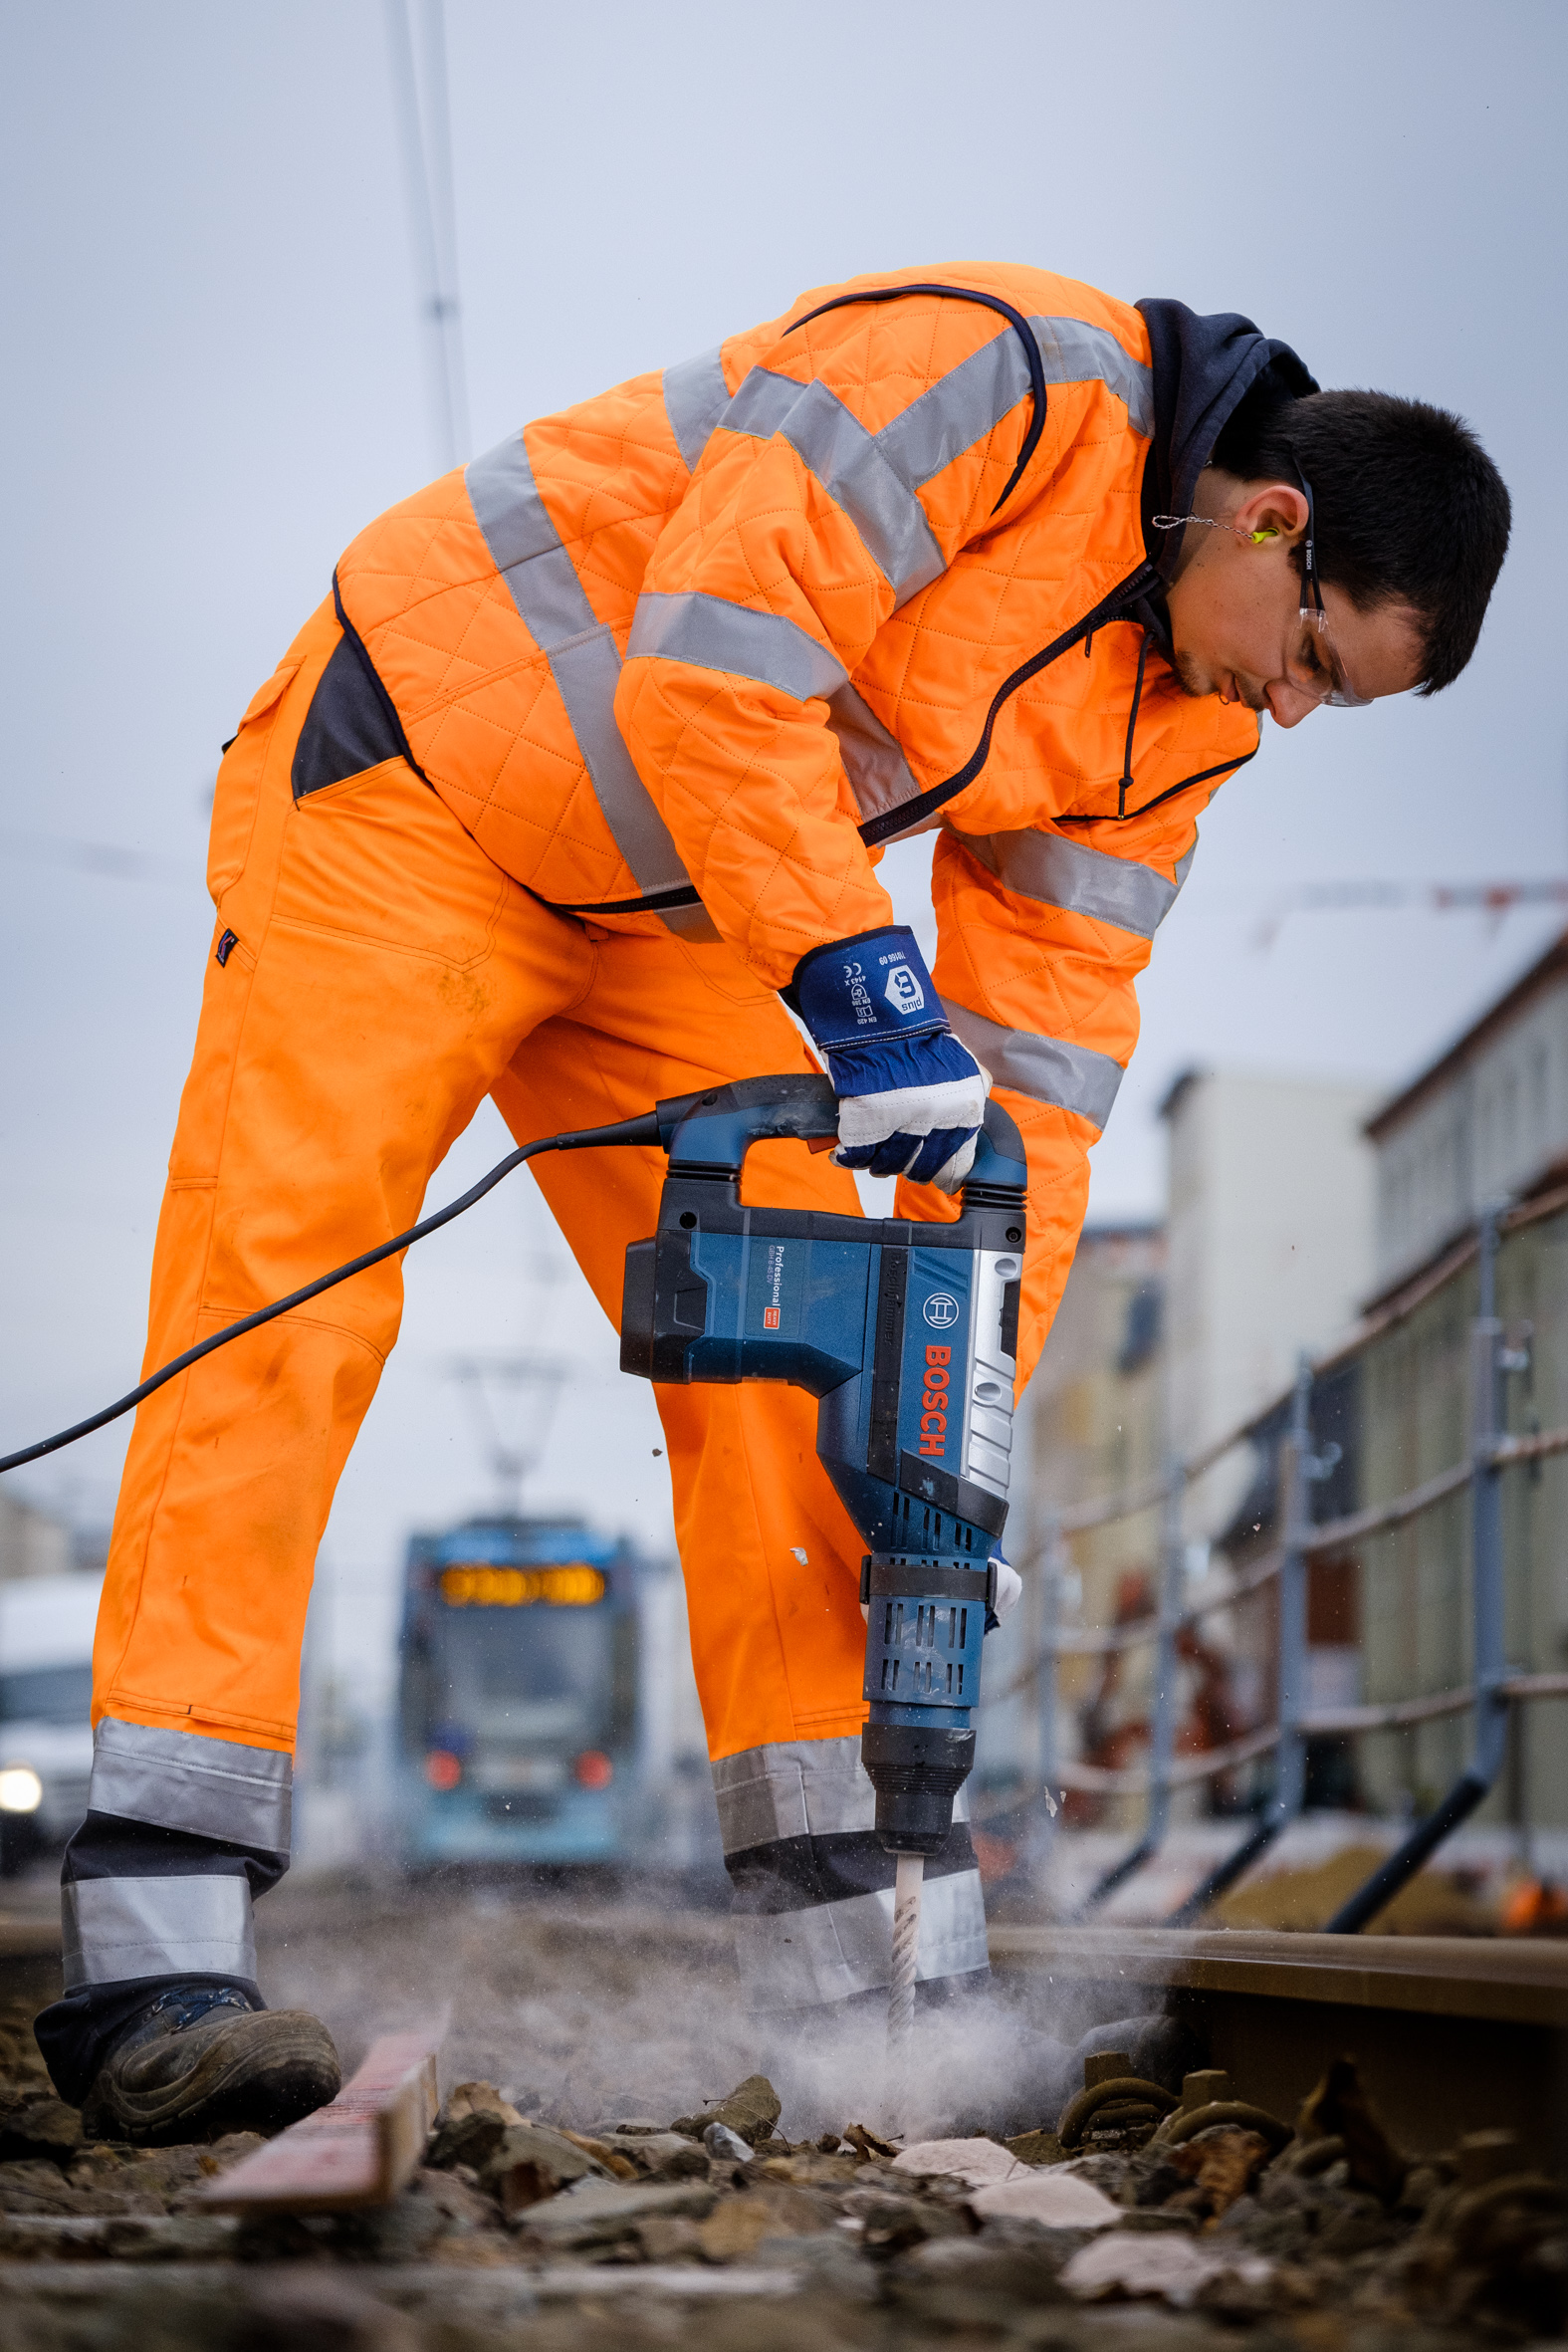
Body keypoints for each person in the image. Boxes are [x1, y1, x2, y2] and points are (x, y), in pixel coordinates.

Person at [34, 264, 1510, 2139]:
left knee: (811, 1405)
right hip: (417, 787)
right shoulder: (989, 377)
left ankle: (880, 2010)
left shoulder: (1182, 712)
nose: (1286, 712)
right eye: (1313, 662)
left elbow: (1039, 1081)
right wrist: (862, 985)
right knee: (283, 1310)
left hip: (687, 919)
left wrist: (951, 1401)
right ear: (1273, 523)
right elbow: (716, 665)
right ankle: (157, 1959)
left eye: (1330, 704)